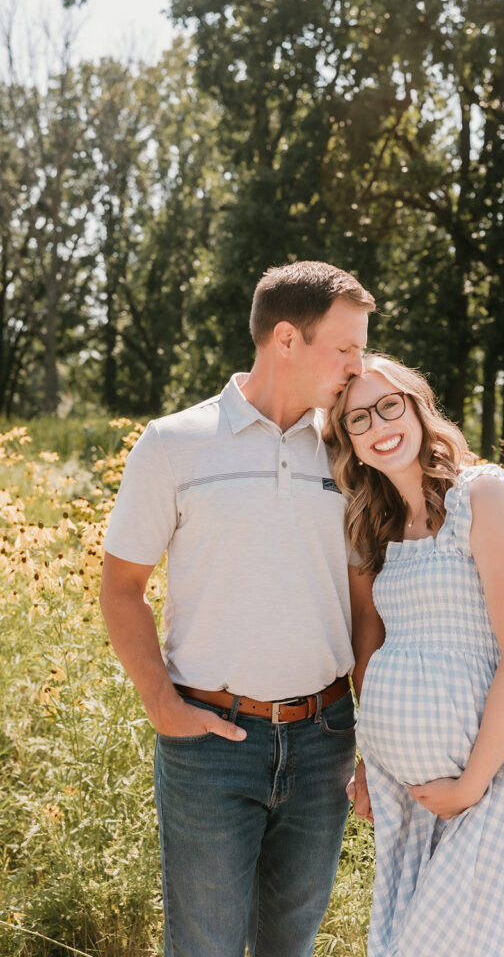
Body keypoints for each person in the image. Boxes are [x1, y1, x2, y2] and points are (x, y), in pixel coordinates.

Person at [99, 261, 375, 957]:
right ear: (286, 339)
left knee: (290, 948)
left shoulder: (348, 453)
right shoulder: (173, 444)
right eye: (344, 347)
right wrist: (161, 704)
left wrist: (372, 738)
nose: (357, 365)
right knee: (204, 949)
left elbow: (363, 609)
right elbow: (120, 586)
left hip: (322, 744)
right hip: (209, 746)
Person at [324, 354, 504, 957]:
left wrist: (471, 784)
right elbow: (373, 646)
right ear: (349, 443)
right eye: (358, 418)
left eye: (389, 405)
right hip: (411, 797)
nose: (378, 424)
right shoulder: (375, 523)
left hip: (496, 771)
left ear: (419, 410)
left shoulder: (482, 496)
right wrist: (373, 758)